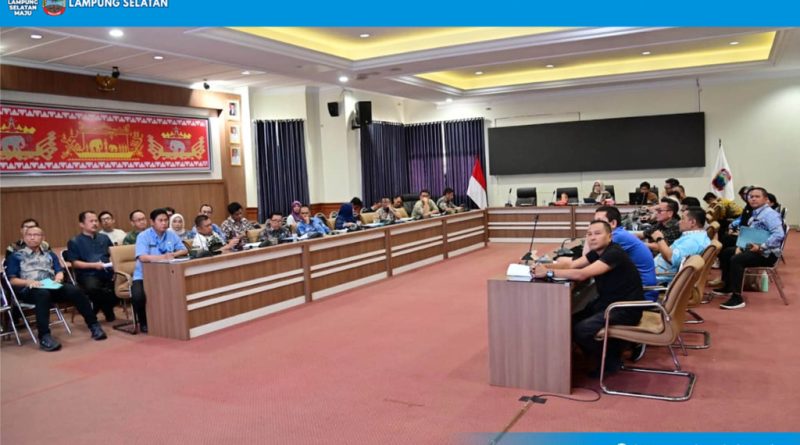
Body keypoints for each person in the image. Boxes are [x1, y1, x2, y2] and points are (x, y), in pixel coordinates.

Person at [533, 220, 644, 376]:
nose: (592, 237)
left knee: (582, 330)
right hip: (608, 303)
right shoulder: (597, 252)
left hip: (625, 308)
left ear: (609, 236)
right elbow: (572, 265)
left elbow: (582, 274)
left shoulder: (614, 253)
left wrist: (549, 273)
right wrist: (543, 266)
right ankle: (598, 355)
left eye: (597, 233)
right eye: (589, 234)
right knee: (570, 321)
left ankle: (611, 360)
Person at [6, 226, 107, 351]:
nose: (32, 237)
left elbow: (59, 271)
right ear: (24, 238)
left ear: (42, 238)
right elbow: (12, 280)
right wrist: (28, 282)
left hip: (51, 286)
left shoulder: (50, 254)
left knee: (74, 290)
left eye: (36, 235)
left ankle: (94, 325)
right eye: (29, 235)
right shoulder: (16, 256)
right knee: (42, 294)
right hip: (30, 289)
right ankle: (44, 337)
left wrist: (59, 277)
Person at [713, 187, 786, 310]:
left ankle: (737, 298)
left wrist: (761, 247)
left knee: (737, 259)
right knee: (726, 253)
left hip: (767, 254)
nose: (753, 199)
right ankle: (728, 286)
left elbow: (779, 235)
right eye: (751, 197)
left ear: (766, 199)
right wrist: (740, 246)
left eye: (757, 196)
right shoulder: (756, 212)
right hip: (754, 248)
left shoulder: (770, 214)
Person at [132, 208, 188, 333]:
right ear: (152, 222)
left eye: (166, 220)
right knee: (138, 296)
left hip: (166, 274)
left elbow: (184, 250)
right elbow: (142, 257)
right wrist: (162, 257)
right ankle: (144, 321)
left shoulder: (171, 234)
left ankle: (171, 319)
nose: (164, 223)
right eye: (160, 220)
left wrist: (173, 254)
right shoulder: (143, 236)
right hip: (143, 276)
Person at [593, 206, 659, 301]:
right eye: (594, 221)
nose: (595, 224)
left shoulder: (617, 236)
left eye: (599, 221)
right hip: (638, 289)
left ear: (613, 223)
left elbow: (591, 258)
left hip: (642, 293)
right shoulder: (620, 233)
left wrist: (590, 234)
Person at [64, 211, 118, 322]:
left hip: (107, 271)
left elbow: (112, 254)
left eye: (96, 221)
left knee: (122, 284)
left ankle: (97, 307)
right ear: (82, 224)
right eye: (91, 221)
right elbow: (75, 263)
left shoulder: (104, 238)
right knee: (93, 288)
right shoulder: (74, 241)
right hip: (87, 274)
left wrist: (114, 266)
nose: (94, 223)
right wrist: (93, 265)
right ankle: (107, 309)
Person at [653, 207, 711, 278]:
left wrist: (659, 239)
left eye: (682, 218)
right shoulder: (697, 236)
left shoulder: (693, 241)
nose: (679, 222)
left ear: (693, 222)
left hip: (658, 275)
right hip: (657, 269)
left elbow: (671, 258)